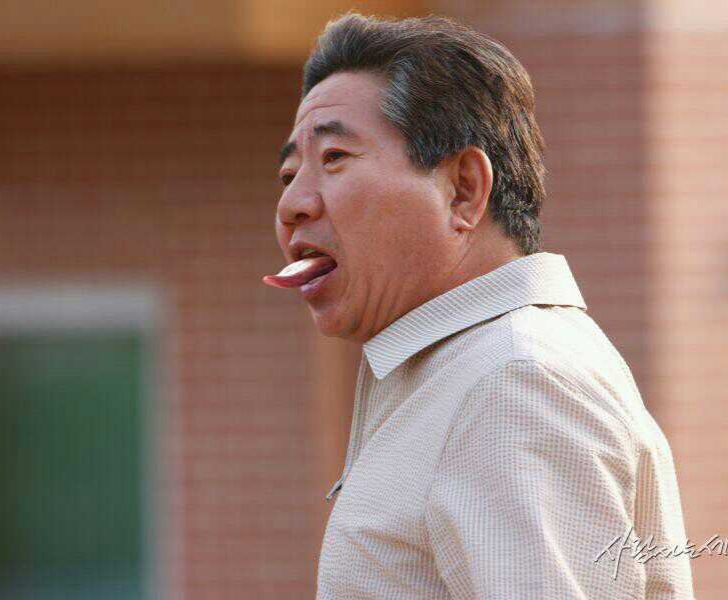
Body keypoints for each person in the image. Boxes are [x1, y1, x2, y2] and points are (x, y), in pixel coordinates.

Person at [262, 12, 694, 599]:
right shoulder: (470, 370)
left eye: (334, 157)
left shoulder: (514, 382)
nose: (292, 204)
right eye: (289, 172)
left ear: (463, 189)